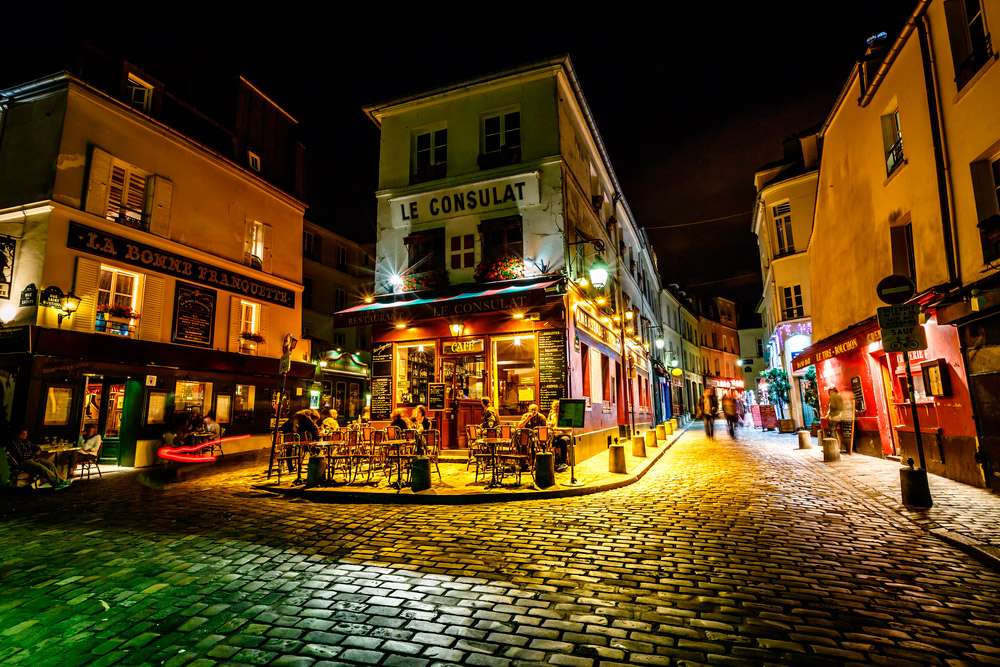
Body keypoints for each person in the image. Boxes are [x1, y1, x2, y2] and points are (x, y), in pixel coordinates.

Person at [5, 428, 70, 490]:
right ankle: (56, 483)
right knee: (41, 468)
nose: (25, 435)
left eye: (26, 434)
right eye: (23, 434)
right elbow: (21, 456)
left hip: (32, 459)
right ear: (19, 434)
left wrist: (38, 450)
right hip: (24, 462)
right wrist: (33, 454)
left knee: (50, 464)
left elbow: (36, 447)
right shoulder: (14, 443)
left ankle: (61, 480)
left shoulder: (26, 442)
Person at [546, 400, 571, 472]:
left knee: (562, 441)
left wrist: (558, 429)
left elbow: (570, 429)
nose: (557, 409)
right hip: (555, 434)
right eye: (555, 407)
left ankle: (563, 462)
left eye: (558, 407)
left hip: (565, 434)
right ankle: (551, 461)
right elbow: (548, 423)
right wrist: (549, 424)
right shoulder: (551, 415)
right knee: (549, 441)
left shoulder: (566, 415)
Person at [824, 387, 848, 453]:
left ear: (833, 391)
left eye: (830, 392)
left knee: (832, 431)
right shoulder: (836, 397)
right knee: (835, 431)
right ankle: (839, 447)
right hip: (837, 416)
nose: (829, 393)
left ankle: (835, 447)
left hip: (836, 416)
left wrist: (831, 415)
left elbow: (837, 407)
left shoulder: (836, 397)